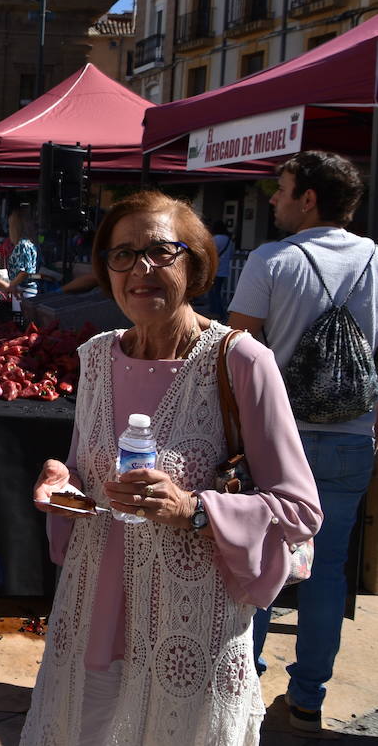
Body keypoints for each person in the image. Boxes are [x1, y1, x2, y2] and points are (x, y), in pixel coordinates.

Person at [22, 191, 321, 745]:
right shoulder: (97, 357)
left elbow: (300, 509)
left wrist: (192, 508)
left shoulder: (240, 361)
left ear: (196, 262)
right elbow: (87, 468)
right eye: (123, 254)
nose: (141, 269)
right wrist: (65, 480)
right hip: (92, 616)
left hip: (189, 630)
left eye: (161, 251)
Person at [228, 150, 377, 734]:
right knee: (329, 570)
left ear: (309, 198)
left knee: (259, 560)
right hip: (351, 441)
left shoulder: (271, 261)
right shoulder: (374, 261)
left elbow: (237, 350)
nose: (273, 198)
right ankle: (308, 698)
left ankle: (244, 685)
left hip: (277, 439)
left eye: (282, 188)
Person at [6, 203, 40, 299]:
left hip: (23, 291)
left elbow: (24, 273)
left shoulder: (22, 245)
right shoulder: (29, 243)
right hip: (27, 290)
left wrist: (10, 285)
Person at [209, 219, 235, 319]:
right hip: (224, 270)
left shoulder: (216, 239)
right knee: (218, 292)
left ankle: (218, 313)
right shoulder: (229, 240)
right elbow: (231, 255)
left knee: (214, 293)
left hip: (215, 269)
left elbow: (211, 253)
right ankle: (218, 313)